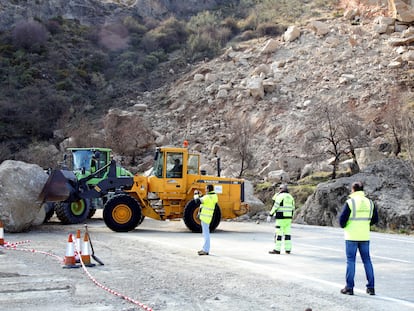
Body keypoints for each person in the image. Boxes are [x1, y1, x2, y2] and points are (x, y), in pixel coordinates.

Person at [339, 181, 378, 296]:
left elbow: (342, 220)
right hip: (365, 236)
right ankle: (371, 288)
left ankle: (349, 288)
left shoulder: (350, 202)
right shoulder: (370, 203)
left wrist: (346, 226)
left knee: (351, 261)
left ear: (353, 190)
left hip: (351, 236)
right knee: (367, 260)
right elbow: (375, 219)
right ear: (362, 190)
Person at [267, 183, 295, 254]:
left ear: (281, 189)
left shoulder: (280, 196)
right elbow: (293, 208)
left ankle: (277, 249)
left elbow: (275, 206)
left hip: (280, 218)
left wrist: (270, 215)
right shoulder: (291, 197)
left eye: (279, 189)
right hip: (288, 218)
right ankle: (288, 249)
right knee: (287, 234)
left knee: (278, 234)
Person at [194, 184, 218, 256]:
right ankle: (205, 249)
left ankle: (205, 250)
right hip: (208, 217)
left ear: (208, 189)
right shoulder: (214, 196)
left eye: (206, 188)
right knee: (205, 234)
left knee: (206, 234)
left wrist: (195, 194)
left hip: (205, 217)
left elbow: (197, 201)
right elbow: (205, 202)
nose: (205, 190)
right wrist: (201, 196)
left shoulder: (207, 197)